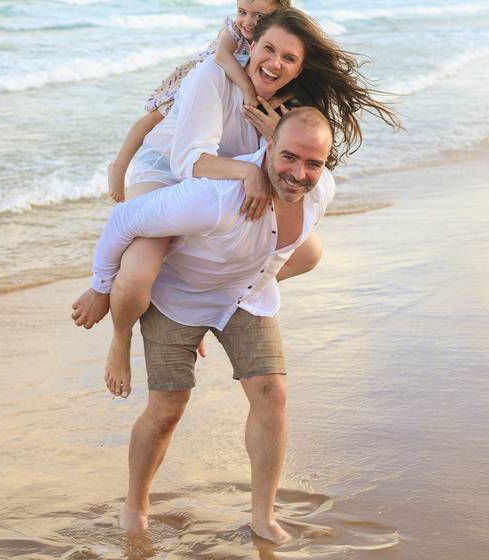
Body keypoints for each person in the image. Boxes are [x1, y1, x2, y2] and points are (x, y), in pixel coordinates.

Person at [72, 8, 401, 397]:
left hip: (217, 186)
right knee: (140, 270)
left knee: (309, 252)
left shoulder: (289, 101)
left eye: (289, 58)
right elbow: (185, 161)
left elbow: (286, 164)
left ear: (299, 67)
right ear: (252, 43)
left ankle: (209, 300)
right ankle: (121, 339)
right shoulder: (213, 75)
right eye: (268, 49)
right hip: (168, 171)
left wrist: (272, 134)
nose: (275, 63)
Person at [86, 108, 335, 544]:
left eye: (313, 163)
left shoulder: (320, 192)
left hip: (241, 296)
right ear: (268, 148)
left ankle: (262, 516)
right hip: (177, 298)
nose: (300, 174)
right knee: (168, 408)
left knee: (272, 394)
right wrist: (100, 289)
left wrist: (250, 287)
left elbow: (283, 251)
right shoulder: (214, 198)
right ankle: (135, 507)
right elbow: (124, 220)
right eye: (289, 158)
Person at [107, 0, 292, 203]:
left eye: (259, 15)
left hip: (222, 85)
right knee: (156, 118)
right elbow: (222, 57)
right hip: (202, 76)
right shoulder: (233, 30)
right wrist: (247, 90)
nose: (248, 21)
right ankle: (119, 166)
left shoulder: (279, 38)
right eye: (241, 12)